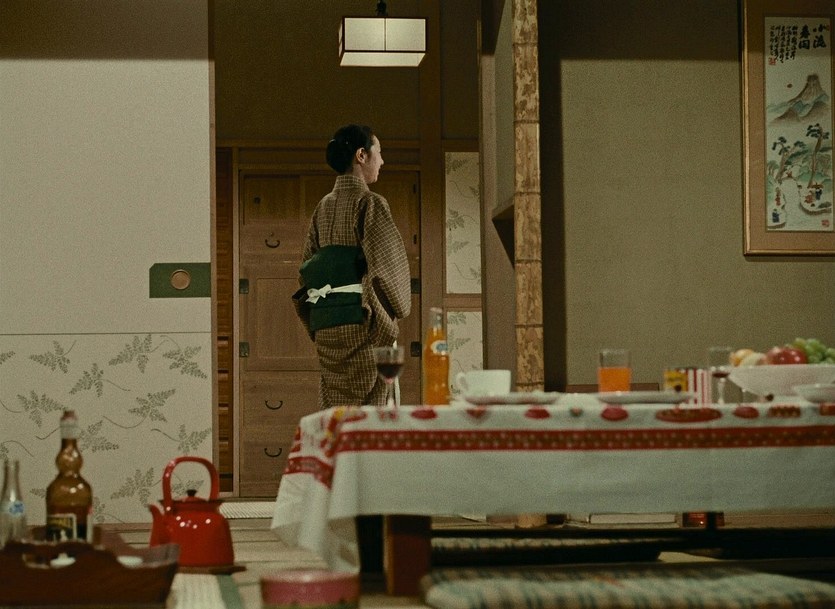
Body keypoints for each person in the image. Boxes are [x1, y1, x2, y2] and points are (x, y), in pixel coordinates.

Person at [294, 124, 411, 409]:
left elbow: (308, 269)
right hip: (362, 322)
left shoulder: (323, 207)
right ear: (361, 155)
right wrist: (391, 315)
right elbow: (386, 270)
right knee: (372, 412)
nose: (382, 161)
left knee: (336, 411)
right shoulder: (371, 203)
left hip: (328, 326)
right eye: (378, 152)